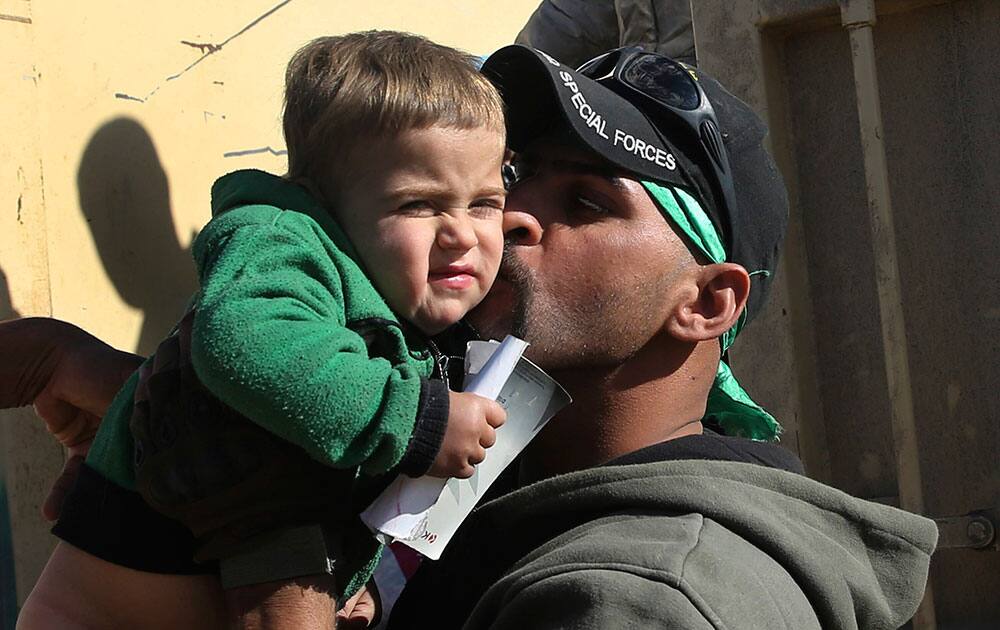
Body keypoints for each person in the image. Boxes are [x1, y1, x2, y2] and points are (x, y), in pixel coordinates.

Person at [5, 44, 937, 629]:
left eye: (582, 200)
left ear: (705, 303)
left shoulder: (643, 598)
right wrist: (137, 400)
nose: (505, 221)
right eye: (514, 180)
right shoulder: (484, 479)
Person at [15, 31, 512, 630]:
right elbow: (241, 341)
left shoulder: (410, 296)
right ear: (322, 201)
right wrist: (417, 419)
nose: (463, 233)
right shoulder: (281, 239)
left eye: (484, 202)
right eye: (417, 205)